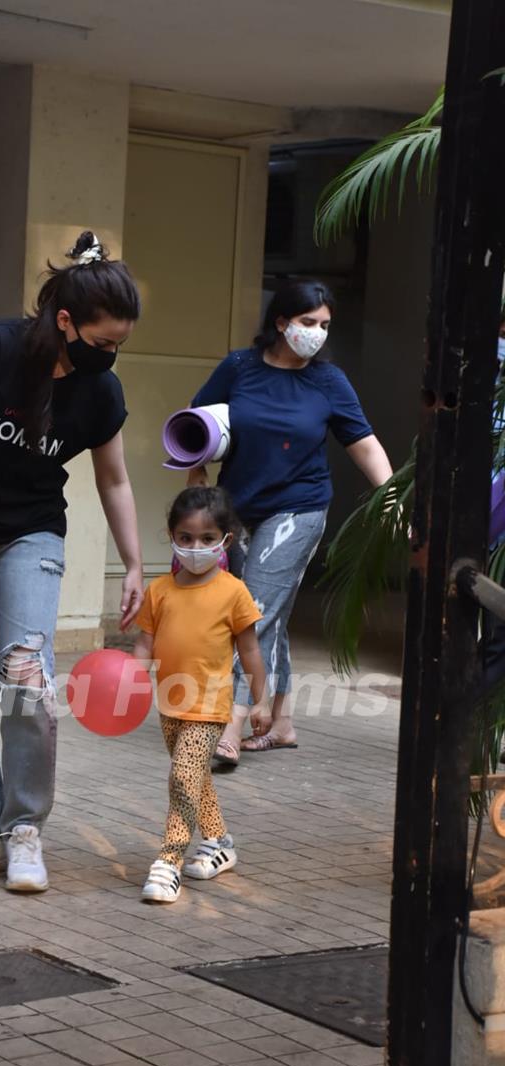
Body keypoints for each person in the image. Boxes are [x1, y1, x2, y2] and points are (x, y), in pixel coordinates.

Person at [0, 231, 143, 892]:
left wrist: (132, 564)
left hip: (31, 533)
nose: (110, 355)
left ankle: (24, 832)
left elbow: (115, 481)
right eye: (102, 342)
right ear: (65, 320)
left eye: (119, 344)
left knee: (26, 678)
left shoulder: (101, 394)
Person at [188, 281, 393, 764]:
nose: (316, 333)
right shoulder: (238, 368)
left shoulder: (330, 382)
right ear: (281, 322)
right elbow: (198, 424)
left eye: (324, 325)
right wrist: (198, 487)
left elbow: (362, 442)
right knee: (268, 613)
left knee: (252, 610)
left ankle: (232, 727)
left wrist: (391, 496)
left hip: (299, 509)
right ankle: (280, 722)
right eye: (307, 323)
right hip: (236, 510)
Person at [133, 486, 267, 903]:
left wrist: (261, 701)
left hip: (210, 708)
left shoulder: (233, 592)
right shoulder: (159, 592)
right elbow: (143, 646)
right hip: (169, 705)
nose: (196, 547)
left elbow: (250, 651)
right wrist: (128, 682)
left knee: (182, 776)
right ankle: (220, 843)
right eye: (186, 538)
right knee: (195, 778)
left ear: (225, 541)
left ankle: (169, 860)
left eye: (207, 539)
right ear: (172, 536)